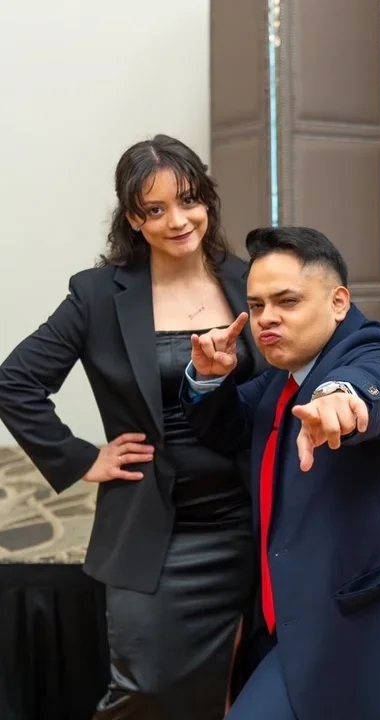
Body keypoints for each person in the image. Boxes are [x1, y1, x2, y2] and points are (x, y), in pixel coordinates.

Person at [0, 135, 268, 717]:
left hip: (247, 519)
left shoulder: (248, 282)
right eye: (156, 209)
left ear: (208, 202)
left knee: (239, 690)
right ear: (133, 218)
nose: (178, 220)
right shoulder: (98, 295)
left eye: (190, 200)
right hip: (152, 526)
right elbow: (15, 382)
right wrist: (81, 457)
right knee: (143, 689)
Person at [181, 226, 380, 720]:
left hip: (354, 638)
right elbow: (230, 426)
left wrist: (343, 402)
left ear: (338, 302)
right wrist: (209, 378)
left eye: (286, 301)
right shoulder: (282, 381)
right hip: (288, 623)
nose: (267, 319)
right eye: (258, 305)